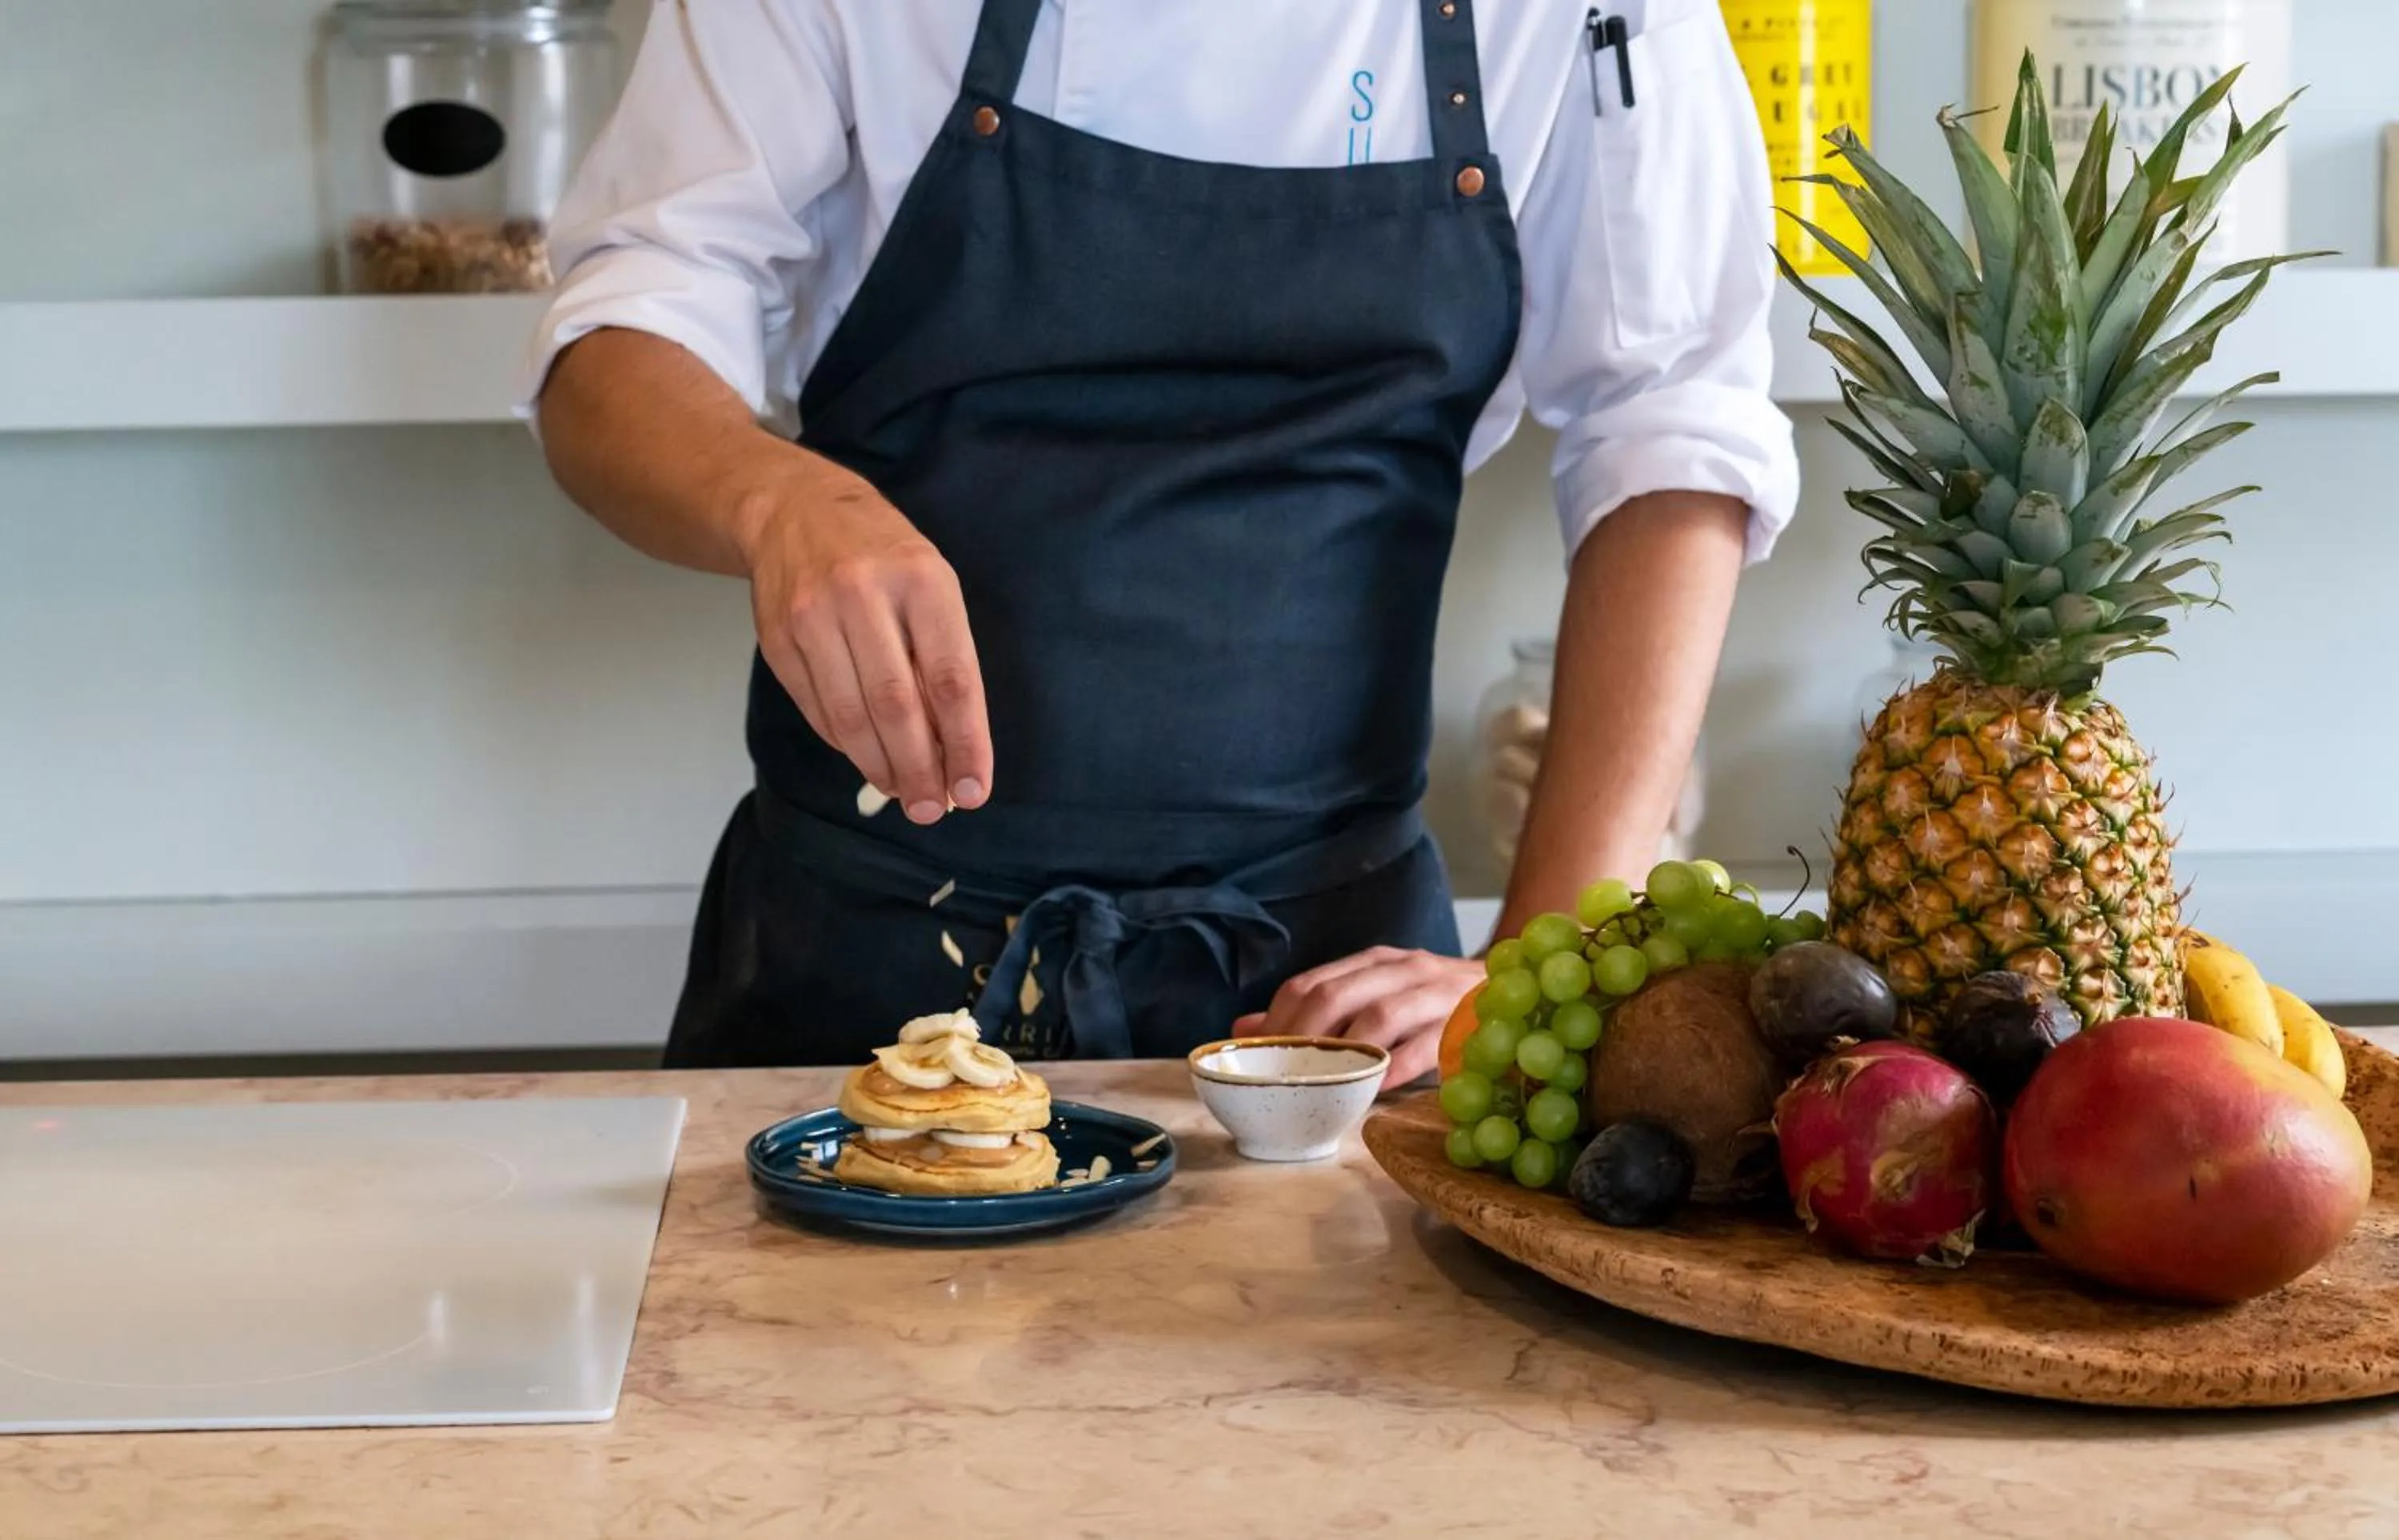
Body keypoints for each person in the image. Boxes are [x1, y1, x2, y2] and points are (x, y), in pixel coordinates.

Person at [525, 0, 1798, 1082]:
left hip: (1319, 1034)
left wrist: (1535, 974)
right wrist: (775, 500)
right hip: (853, 991)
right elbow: (622, 336)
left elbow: (1672, 429)